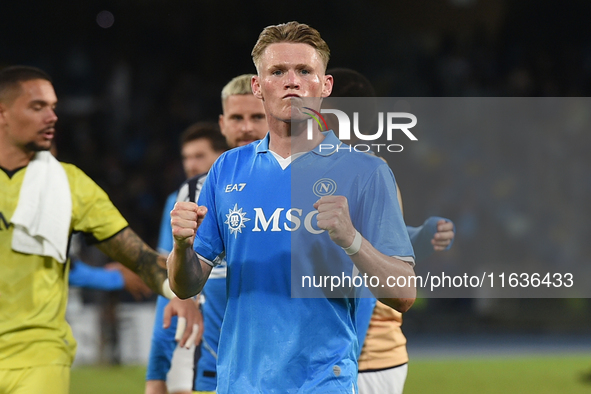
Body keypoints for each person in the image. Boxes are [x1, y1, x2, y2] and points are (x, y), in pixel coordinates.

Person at [168, 22, 416, 393]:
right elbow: (185, 285)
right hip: (240, 382)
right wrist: (181, 247)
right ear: (258, 86)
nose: (292, 82)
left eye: (305, 71)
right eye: (277, 71)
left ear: (325, 85)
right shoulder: (226, 169)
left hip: (322, 381)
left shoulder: (367, 172)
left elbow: (404, 293)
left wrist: (351, 240)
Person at [0, 65, 200, 394]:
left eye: (53, 107)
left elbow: (141, 260)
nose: (51, 117)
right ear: (3, 112)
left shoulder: (71, 185)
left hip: (38, 357)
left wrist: (179, 290)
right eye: (37, 107)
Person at [326, 68, 455, 394]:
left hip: (369, 352)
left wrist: (423, 237)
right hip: (331, 350)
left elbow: (386, 250)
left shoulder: (371, 170)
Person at [147, 74, 268, 394]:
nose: (246, 128)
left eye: (257, 116)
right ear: (222, 123)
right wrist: (155, 372)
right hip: (213, 366)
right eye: (236, 118)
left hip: (283, 364)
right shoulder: (193, 191)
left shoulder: (300, 183)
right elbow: (173, 287)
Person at [146, 122, 229, 394]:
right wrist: (155, 372)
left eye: (199, 156)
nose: (191, 165)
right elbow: (169, 284)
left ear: (222, 154)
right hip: (198, 340)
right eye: (186, 158)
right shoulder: (183, 200)